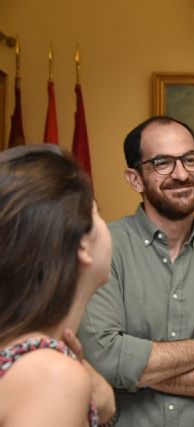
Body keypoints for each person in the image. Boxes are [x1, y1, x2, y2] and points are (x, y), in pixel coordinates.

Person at [78, 116, 194, 427]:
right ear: (135, 179)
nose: (181, 173)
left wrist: (136, 369)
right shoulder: (102, 248)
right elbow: (103, 359)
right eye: (162, 162)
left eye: (190, 159)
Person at [0, 145, 116, 426]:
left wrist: (105, 405)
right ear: (81, 244)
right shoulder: (50, 375)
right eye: (96, 211)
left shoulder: (28, 358)